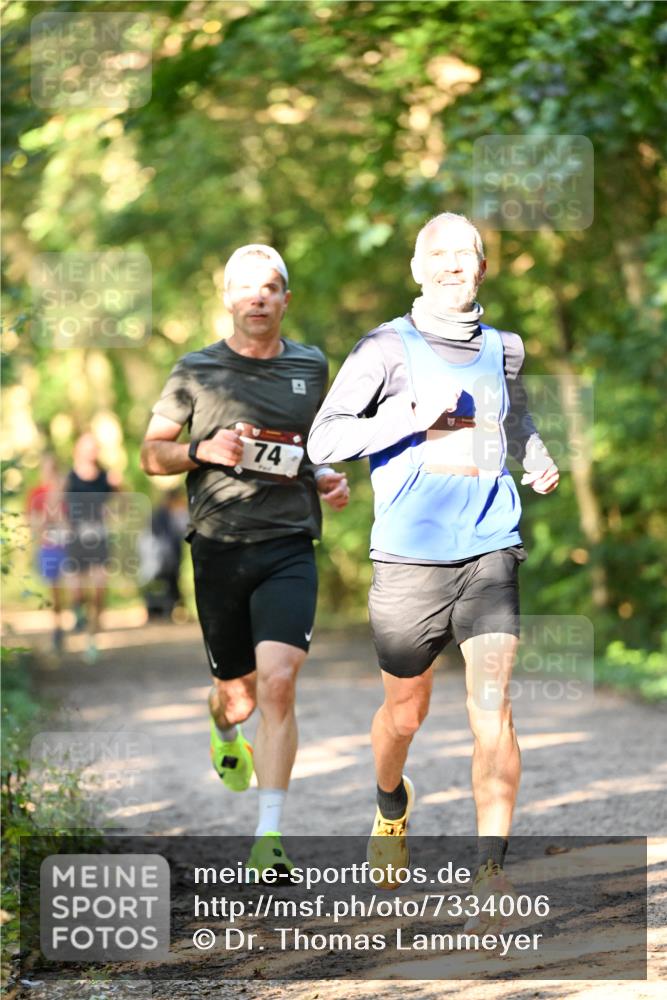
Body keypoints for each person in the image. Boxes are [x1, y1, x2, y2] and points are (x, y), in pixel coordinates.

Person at [308, 213, 558, 925]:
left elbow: (514, 423)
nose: (454, 264)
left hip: (489, 548)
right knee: (404, 713)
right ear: (418, 270)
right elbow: (324, 436)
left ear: (483, 267)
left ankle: (489, 874)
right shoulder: (386, 348)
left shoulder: (504, 348)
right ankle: (391, 804)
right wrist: (409, 418)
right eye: (439, 255)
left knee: (493, 708)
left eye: (466, 254)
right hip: (408, 557)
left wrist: (534, 459)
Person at [141, 244, 349, 876]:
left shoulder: (312, 366)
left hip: (289, 545)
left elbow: (321, 446)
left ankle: (268, 836)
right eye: (246, 288)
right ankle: (226, 731)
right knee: (238, 699)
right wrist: (202, 449)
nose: (258, 297)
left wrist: (328, 477)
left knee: (280, 683)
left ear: (286, 299)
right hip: (219, 547)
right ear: (228, 299)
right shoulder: (195, 370)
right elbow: (152, 455)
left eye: (271, 287)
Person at [63, 432, 119, 664]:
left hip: (99, 537)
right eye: (86, 447)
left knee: (99, 589)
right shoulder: (70, 477)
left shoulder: (107, 477)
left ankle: (92, 639)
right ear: (78, 450)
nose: (90, 451)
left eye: (93, 447)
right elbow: (59, 503)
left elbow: (122, 505)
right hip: (76, 538)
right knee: (77, 591)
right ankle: (77, 611)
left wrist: (118, 493)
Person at [26, 453, 68, 653]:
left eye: (52, 468)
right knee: (55, 590)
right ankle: (58, 627)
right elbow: (34, 524)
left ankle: (77, 613)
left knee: (76, 585)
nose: (49, 473)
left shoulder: (66, 492)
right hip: (49, 546)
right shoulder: (36, 494)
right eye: (45, 468)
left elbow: (70, 522)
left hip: (68, 545)